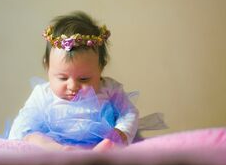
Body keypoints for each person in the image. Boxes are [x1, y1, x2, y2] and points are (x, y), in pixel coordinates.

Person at [8, 11, 139, 152]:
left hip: (99, 143)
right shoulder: (43, 93)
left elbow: (128, 113)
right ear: (47, 67)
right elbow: (23, 121)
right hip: (55, 143)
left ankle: (103, 150)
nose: (73, 86)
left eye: (84, 79)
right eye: (63, 78)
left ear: (101, 68)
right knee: (32, 136)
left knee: (116, 136)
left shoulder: (109, 88)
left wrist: (120, 133)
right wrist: (13, 144)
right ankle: (59, 151)